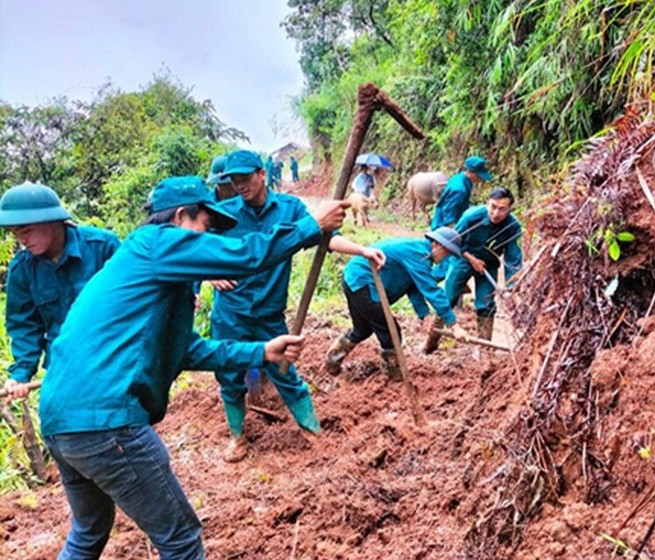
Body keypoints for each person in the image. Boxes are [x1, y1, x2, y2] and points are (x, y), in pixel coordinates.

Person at [30, 175, 347, 559]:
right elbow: (247, 255)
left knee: (88, 531)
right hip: (106, 421)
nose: (206, 240)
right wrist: (311, 225)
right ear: (181, 217)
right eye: (205, 227)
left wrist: (261, 353)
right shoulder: (156, 243)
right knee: (180, 541)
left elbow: (187, 352)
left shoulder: (152, 273)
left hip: (63, 422)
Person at [212, 150, 385, 462]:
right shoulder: (224, 214)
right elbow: (199, 249)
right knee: (229, 375)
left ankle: (312, 433)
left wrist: (361, 250)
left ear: (262, 174)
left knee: (285, 373)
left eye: (245, 178)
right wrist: (212, 273)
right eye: (234, 180)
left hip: (268, 314)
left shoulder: (290, 209)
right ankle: (238, 437)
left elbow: (324, 237)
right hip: (230, 313)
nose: (240, 185)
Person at [1, 183, 120, 400]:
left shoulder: (103, 247)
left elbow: (133, 302)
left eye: (27, 231)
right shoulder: (22, 270)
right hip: (64, 370)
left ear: (53, 220)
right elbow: (24, 326)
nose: (22, 240)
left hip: (112, 363)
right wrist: (21, 374)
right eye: (15, 233)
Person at [325, 227, 468, 378]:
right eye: (447, 253)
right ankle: (394, 376)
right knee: (390, 331)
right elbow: (431, 290)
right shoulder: (419, 255)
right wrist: (454, 325)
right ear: (437, 245)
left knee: (362, 330)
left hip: (353, 279)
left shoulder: (419, 252)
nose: (446, 258)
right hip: (363, 281)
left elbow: (412, 286)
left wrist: (424, 314)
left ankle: (331, 363)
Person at [425, 188, 522, 351]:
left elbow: (513, 260)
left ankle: (485, 351)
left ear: (510, 209)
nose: (496, 213)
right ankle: (431, 341)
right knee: (447, 299)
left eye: (502, 209)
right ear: (487, 204)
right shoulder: (472, 216)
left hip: (489, 263)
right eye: (493, 207)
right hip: (462, 257)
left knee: (486, 303)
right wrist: (472, 259)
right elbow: (453, 242)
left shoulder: (513, 227)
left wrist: (513, 289)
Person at [430, 156, 492, 230]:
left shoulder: (460, 178)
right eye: (478, 175)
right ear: (469, 172)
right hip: (442, 228)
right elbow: (449, 214)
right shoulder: (459, 190)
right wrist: (454, 233)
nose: (481, 179)